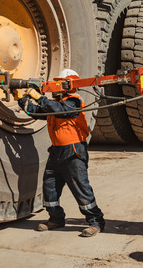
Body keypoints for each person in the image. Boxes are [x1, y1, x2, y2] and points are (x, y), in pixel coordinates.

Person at [14, 69, 105, 237]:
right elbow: (35, 111)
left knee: (80, 188)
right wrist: (22, 99)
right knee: (50, 187)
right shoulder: (56, 104)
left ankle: (96, 222)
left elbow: (59, 109)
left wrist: (38, 96)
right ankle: (56, 218)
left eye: (58, 82)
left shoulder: (74, 102)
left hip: (73, 152)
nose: (53, 86)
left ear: (67, 85)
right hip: (56, 152)